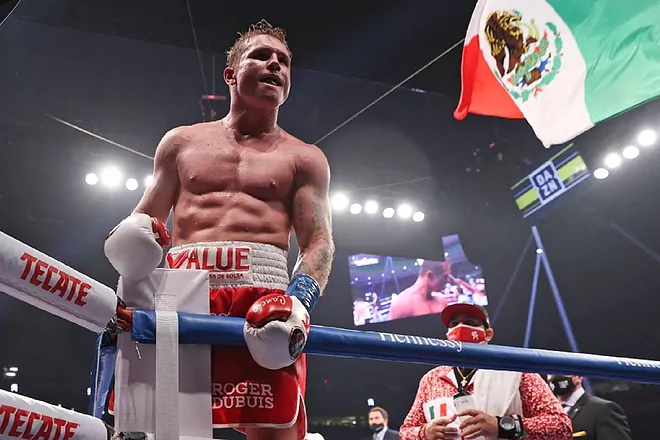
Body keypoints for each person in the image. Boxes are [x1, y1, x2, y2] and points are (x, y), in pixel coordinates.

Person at [103, 20, 334, 440]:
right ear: (231, 74)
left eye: (283, 61)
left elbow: (319, 243)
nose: (275, 64)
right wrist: (129, 262)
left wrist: (298, 303)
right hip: (181, 295)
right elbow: (142, 226)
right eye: (261, 56)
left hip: (262, 301)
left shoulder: (306, 158)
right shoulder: (180, 143)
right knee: (161, 428)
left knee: (274, 431)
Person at [400, 303, 572, 440]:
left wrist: (502, 426)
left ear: (488, 334)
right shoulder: (431, 380)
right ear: (447, 336)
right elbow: (406, 431)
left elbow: (561, 427)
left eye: (470, 323)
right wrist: (424, 433)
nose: (460, 327)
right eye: (454, 324)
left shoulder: (516, 370)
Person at [548, 375, 632, 440]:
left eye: (563, 371)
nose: (556, 375)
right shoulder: (547, 414)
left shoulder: (603, 409)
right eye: (551, 372)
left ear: (579, 376)